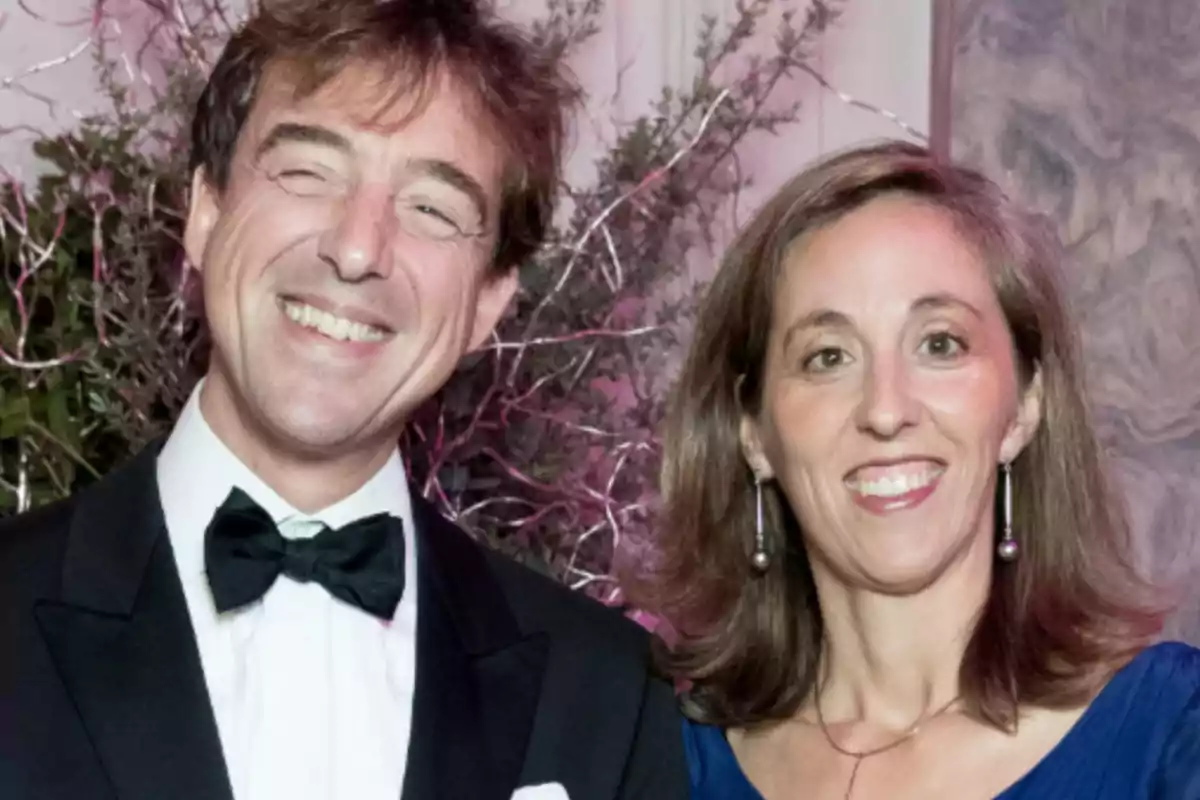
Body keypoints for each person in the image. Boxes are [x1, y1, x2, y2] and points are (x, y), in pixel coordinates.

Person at [0, 1, 688, 798]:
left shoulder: (610, 695)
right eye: (308, 171)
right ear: (206, 213)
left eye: (432, 208)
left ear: (490, 302)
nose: (358, 248)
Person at [631, 141, 1200, 799]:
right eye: (827, 356)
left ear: (1023, 409)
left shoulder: (1168, 735)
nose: (886, 409)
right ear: (752, 432)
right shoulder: (663, 764)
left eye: (940, 343)